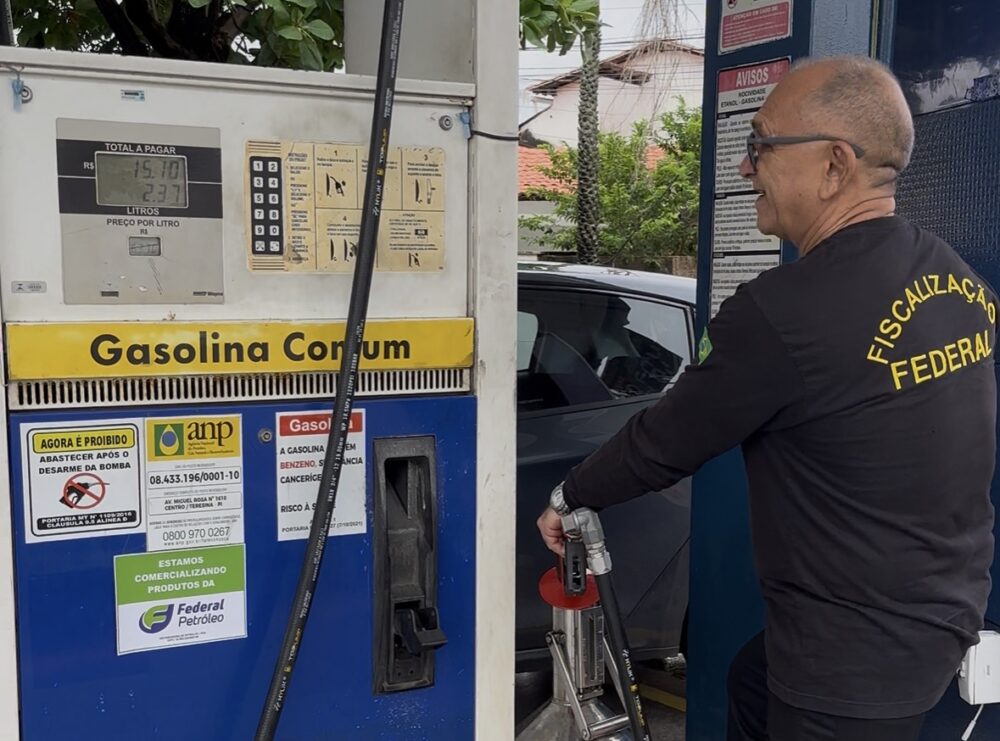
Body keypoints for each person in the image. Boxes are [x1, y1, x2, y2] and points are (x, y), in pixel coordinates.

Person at [537, 55, 997, 741]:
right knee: (751, 685)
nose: (745, 166)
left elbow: (667, 440)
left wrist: (571, 495)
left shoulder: (786, 313)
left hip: (851, 656)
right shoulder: (955, 279)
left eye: (761, 146)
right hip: (941, 610)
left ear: (834, 165)